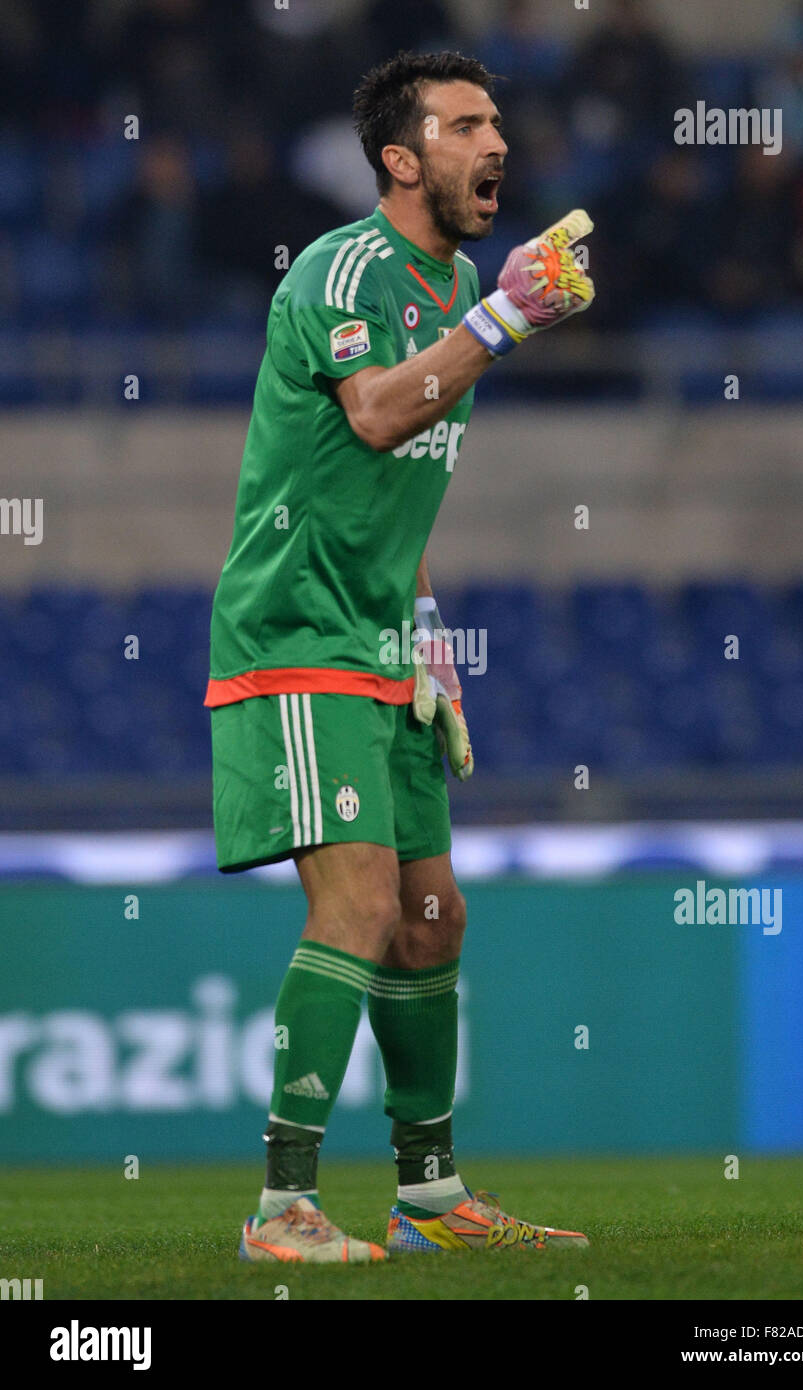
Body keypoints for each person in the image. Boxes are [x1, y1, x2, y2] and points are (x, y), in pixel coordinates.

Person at [205, 50, 595, 1263]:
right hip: (296, 634)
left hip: (383, 644)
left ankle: (428, 1196)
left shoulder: (461, 278)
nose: (496, 145)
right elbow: (375, 411)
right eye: (465, 125)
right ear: (398, 155)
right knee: (363, 903)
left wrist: (428, 639)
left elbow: (390, 484)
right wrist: (501, 321)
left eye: (497, 124)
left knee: (432, 918)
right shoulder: (343, 268)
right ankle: (282, 1208)